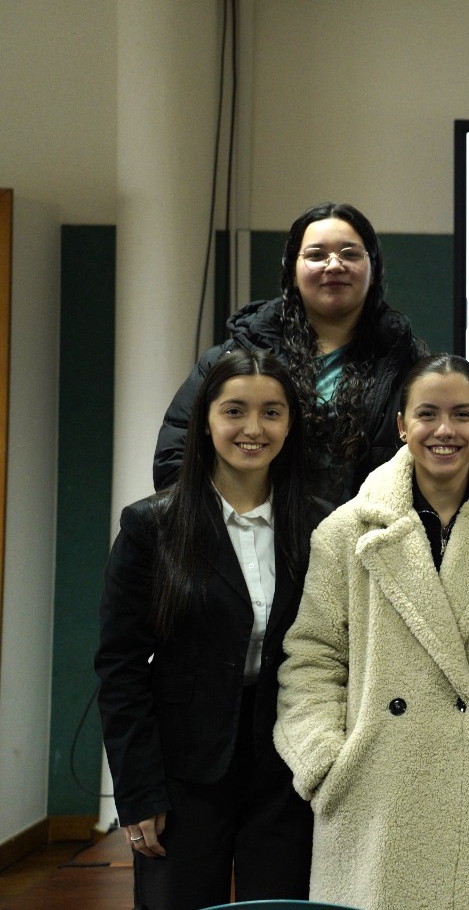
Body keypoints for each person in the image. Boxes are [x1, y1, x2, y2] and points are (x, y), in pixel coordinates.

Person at [274, 354, 469, 910]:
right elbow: (312, 658)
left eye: (462, 414)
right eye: (427, 414)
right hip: (373, 794)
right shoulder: (346, 531)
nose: (445, 431)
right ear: (403, 424)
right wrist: (326, 763)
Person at [96, 349, 321, 910]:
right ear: (205, 421)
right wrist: (138, 792)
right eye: (235, 410)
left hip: (286, 768)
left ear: (290, 424)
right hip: (183, 774)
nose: (253, 428)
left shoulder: (322, 526)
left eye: (272, 412)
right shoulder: (152, 526)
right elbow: (120, 668)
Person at [153, 203, 426, 504]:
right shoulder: (232, 359)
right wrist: (232, 529)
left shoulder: (411, 365)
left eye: (350, 254)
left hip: (366, 542)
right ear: (292, 273)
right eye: (316, 255)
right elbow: (175, 458)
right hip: (255, 541)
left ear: (373, 271)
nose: (334, 265)